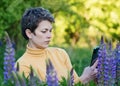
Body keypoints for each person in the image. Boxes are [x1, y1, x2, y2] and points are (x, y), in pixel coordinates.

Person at [16, 7, 98, 84]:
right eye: (44, 31)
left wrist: (91, 78)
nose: (49, 35)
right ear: (29, 33)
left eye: (50, 31)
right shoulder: (22, 66)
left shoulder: (60, 53)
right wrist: (84, 79)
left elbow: (76, 83)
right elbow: (80, 82)